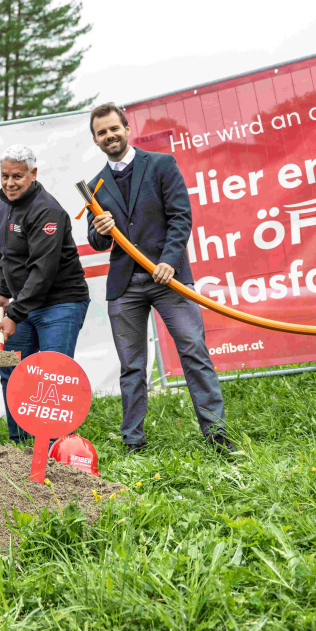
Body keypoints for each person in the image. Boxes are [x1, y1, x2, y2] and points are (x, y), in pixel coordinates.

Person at [86, 103, 231, 454]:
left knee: (194, 351)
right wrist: (101, 230)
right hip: (124, 288)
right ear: (95, 140)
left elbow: (181, 217)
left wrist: (168, 261)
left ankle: (216, 435)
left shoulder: (162, 165)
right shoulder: (94, 186)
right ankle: (133, 442)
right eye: (101, 132)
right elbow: (95, 241)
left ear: (126, 127)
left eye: (113, 128)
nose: (109, 136)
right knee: (132, 367)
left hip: (170, 280)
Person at [0, 145, 91, 445]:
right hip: (24, 304)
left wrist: (14, 315)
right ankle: (19, 444)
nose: (10, 183)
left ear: (33, 174)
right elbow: (8, 257)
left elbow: (42, 271)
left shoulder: (48, 210)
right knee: (11, 368)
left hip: (61, 304)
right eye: (5, 176)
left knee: (53, 374)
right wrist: (4, 292)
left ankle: (59, 446)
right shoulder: (2, 207)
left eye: (17, 176)